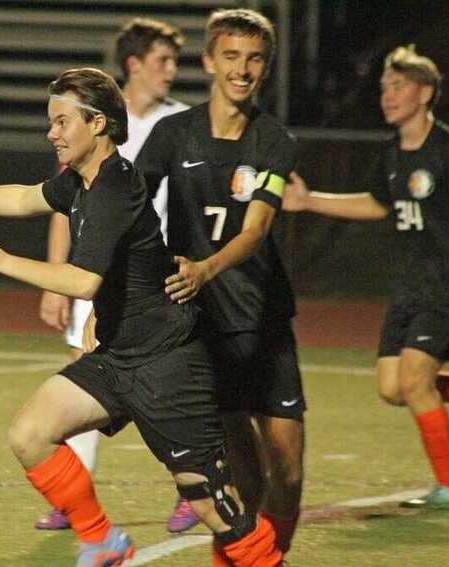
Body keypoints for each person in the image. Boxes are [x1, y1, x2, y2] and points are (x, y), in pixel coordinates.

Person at [0, 67, 281, 566]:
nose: (52, 133)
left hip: (167, 366)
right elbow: (21, 197)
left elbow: (82, 282)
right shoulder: (81, 181)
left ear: (98, 124)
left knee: (213, 507)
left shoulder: (115, 188)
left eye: (61, 122)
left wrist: (2, 261)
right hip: (117, 356)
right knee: (29, 434)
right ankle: (102, 542)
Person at [135, 8, 304, 560]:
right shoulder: (171, 133)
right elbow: (131, 208)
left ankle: (265, 552)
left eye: (254, 58)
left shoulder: (274, 142)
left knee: (289, 470)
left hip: (265, 322)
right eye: (231, 55)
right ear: (209, 61)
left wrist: (206, 267)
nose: (242, 68)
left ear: (265, 67)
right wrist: (114, 289)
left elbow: (255, 230)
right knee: (239, 475)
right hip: (206, 328)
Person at [35, 17, 198, 534]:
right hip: (96, 268)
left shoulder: (182, 123)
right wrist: (51, 278)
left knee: (156, 386)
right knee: (82, 369)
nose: (171, 70)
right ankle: (73, 495)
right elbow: (65, 199)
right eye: (162, 60)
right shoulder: (84, 119)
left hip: (149, 280)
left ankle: (194, 487)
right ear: (133, 64)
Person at [284, 45, 449, 509]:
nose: (387, 95)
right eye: (384, 87)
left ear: (424, 93)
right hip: (407, 288)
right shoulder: (389, 155)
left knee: (414, 381)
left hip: (447, 287)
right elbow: (377, 204)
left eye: (398, 86)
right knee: (392, 388)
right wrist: (308, 201)